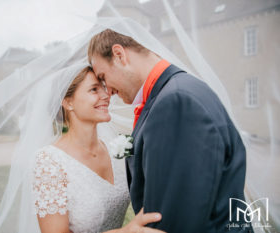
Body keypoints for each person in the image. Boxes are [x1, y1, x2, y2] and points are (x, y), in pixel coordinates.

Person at [88, 29, 254, 233]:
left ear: (119, 55)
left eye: (103, 77)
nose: (108, 91)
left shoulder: (176, 102)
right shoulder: (181, 89)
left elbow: (175, 220)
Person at [32, 66, 165, 233]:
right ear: (68, 102)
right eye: (94, 89)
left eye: (103, 87)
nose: (106, 95)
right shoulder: (49, 161)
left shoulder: (118, 146)